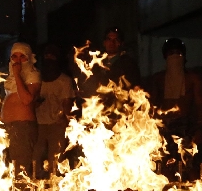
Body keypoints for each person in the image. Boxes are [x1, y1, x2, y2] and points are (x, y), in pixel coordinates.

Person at [148, 38, 202, 179]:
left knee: (190, 165)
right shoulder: (158, 79)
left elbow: (199, 105)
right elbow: (152, 105)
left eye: (178, 53)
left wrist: (199, 128)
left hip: (187, 127)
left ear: (184, 56)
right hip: (166, 127)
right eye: (171, 53)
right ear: (165, 57)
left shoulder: (193, 79)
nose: (174, 56)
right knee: (167, 166)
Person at [34, 43, 76, 178]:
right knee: (35, 158)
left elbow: (68, 105)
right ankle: (35, 187)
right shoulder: (36, 79)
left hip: (57, 125)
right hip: (38, 124)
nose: (49, 58)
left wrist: (64, 116)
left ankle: (54, 189)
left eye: (52, 55)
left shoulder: (64, 80)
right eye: (47, 55)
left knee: (56, 160)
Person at [1, 42, 41, 180]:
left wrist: (18, 75)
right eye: (14, 56)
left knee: (20, 170)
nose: (18, 60)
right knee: (6, 169)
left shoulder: (32, 75)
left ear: (29, 58)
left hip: (22, 127)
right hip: (8, 127)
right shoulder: (11, 78)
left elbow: (26, 99)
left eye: (22, 57)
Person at [80, 27, 141, 97]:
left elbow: (134, 87)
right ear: (104, 43)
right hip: (96, 103)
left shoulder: (128, 63)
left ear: (121, 43)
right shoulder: (95, 62)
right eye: (109, 39)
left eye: (116, 40)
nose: (112, 43)